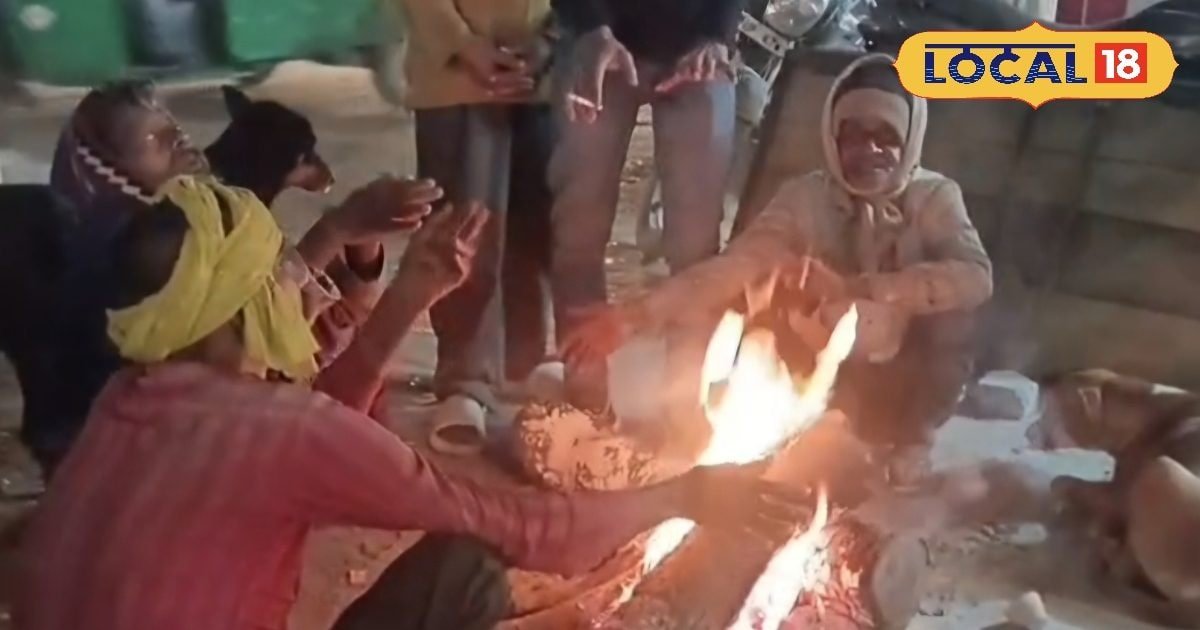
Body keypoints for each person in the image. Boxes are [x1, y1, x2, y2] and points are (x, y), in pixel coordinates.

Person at [16, 175, 806, 630]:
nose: (293, 286)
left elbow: (307, 440)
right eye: (273, 274)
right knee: (461, 571)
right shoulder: (279, 430)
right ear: (239, 305)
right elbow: (530, 530)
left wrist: (410, 293)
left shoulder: (128, 398)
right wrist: (686, 495)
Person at [564, 55, 994, 483]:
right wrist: (636, 315)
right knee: (766, 295)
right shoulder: (804, 199)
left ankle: (913, 438)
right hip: (831, 365)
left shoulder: (934, 197)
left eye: (886, 136)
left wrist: (862, 287)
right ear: (833, 137)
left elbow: (976, 277)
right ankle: (811, 433)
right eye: (854, 135)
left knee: (953, 315)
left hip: (908, 365)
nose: (870, 150)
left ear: (909, 138)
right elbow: (735, 267)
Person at [24, 81, 436, 477]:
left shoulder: (211, 228)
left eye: (176, 130)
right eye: (154, 142)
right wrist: (340, 232)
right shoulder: (143, 265)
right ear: (108, 175)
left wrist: (359, 242)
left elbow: (286, 311)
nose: (181, 142)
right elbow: (265, 324)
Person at [549, 0, 743, 415]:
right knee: (579, 223)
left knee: (696, 242)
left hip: (696, 47)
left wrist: (717, 35)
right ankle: (585, 383)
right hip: (597, 41)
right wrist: (590, 27)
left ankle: (686, 392)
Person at [397, 0, 557, 452]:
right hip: (455, 74)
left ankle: (525, 363)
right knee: (468, 226)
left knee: (538, 227)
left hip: (547, 71)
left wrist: (552, 40)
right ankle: (465, 380)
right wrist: (461, 42)